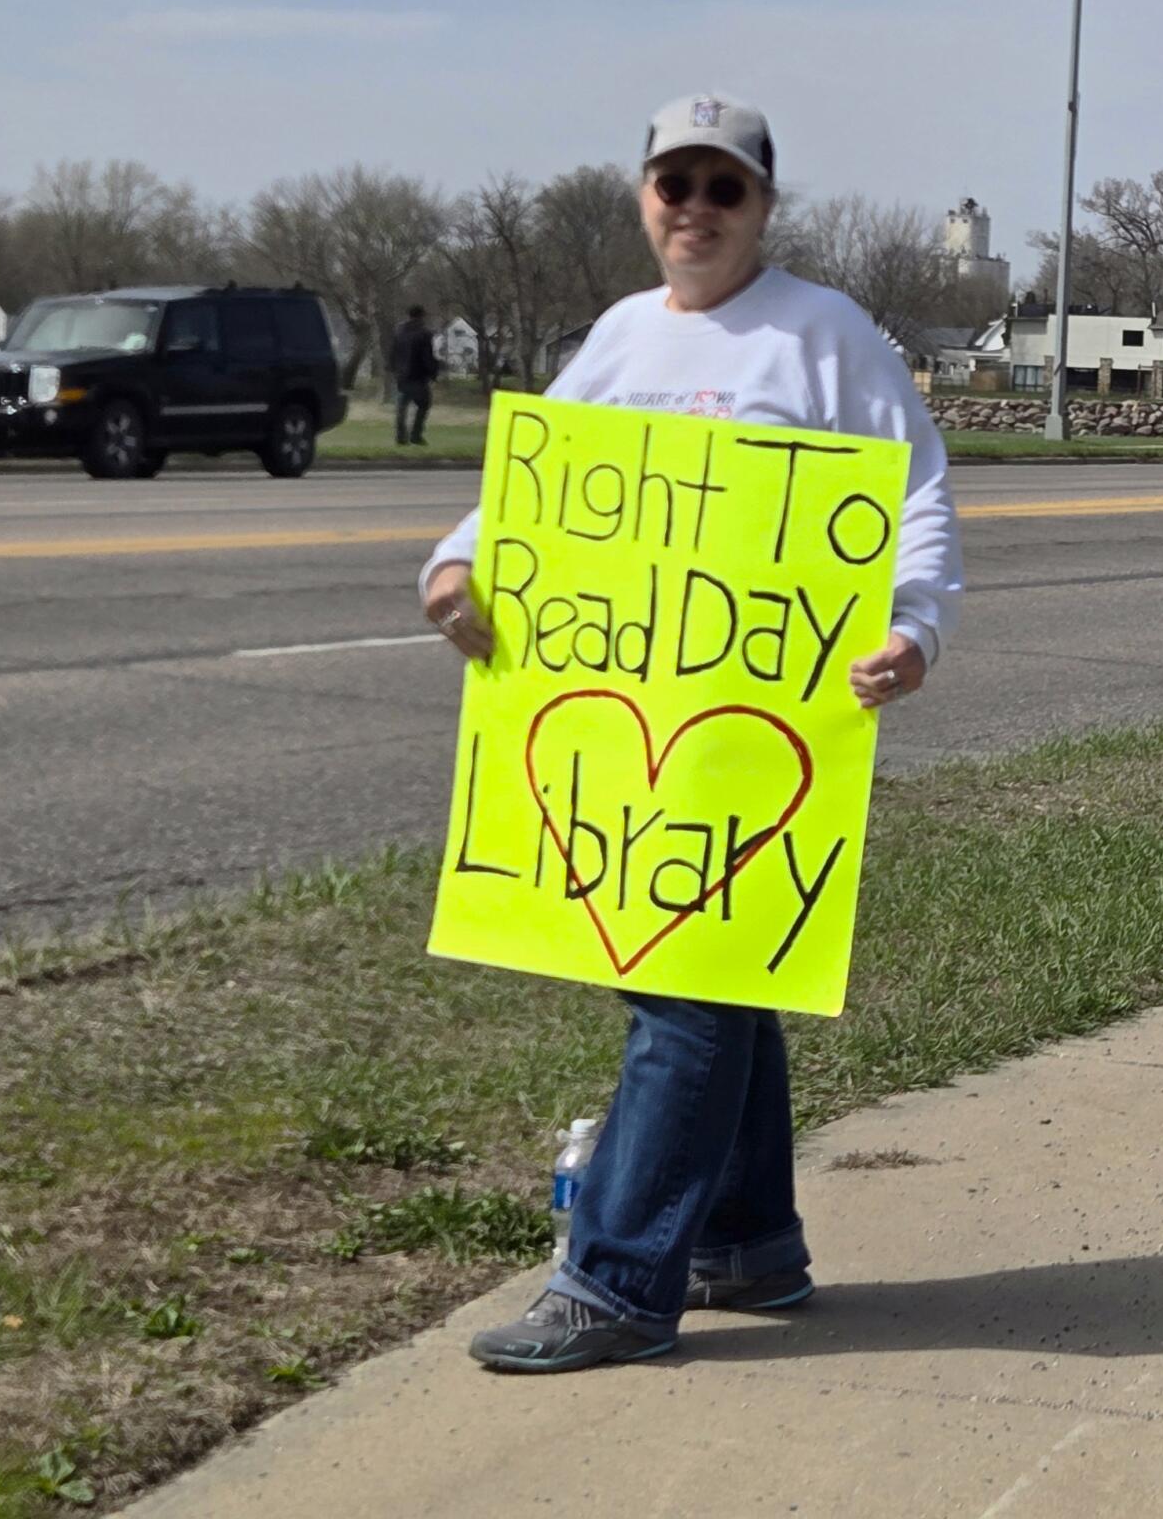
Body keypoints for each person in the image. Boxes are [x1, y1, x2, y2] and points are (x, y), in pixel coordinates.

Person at [418, 90, 961, 1374]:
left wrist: (915, 630)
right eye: (676, 185)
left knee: (685, 993)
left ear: (765, 205)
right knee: (713, 979)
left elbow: (917, 491)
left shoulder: (822, 337)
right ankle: (747, 1241)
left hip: (757, 736)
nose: (697, 211)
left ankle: (615, 1281)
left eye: (725, 189)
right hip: (617, 729)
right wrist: (455, 570)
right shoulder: (616, 338)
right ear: (643, 197)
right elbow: (532, 494)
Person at [392, 306, 440, 446]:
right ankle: (416, 435)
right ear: (421, 316)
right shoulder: (424, 333)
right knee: (424, 405)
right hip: (418, 376)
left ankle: (401, 437)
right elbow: (427, 356)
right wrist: (433, 373)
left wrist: (394, 369)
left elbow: (393, 352)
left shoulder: (399, 331)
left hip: (402, 376)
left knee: (401, 406)